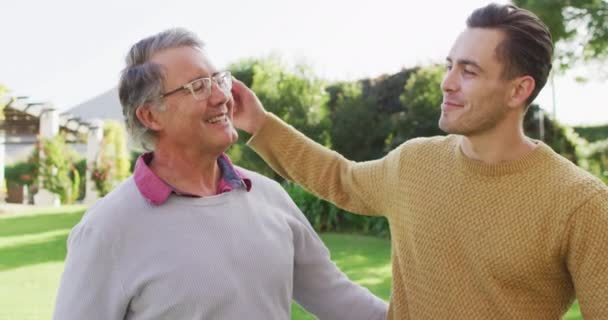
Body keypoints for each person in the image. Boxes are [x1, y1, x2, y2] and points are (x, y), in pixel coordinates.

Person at [231, 3, 608, 319]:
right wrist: (260, 124)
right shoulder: (415, 162)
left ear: (519, 90)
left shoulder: (580, 203)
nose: (448, 82)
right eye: (450, 65)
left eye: (469, 71)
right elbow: (340, 177)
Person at [53, 28, 387, 320]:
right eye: (198, 86)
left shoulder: (268, 197)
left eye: (217, 80)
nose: (221, 97)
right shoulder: (106, 231)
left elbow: (338, 299)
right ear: (151, 116)